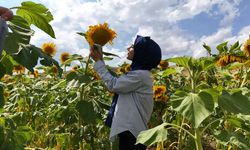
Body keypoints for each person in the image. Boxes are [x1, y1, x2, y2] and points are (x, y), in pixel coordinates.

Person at [90, 35, 162, 150]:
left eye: (133, 46)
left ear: (141, 53)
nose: (128, 48)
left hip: (132, 132)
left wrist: (98, 62)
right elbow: (119, 84)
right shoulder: (140, 74)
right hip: (131, 129)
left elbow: (113, 85)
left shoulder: (140, 75)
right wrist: (101, 59)